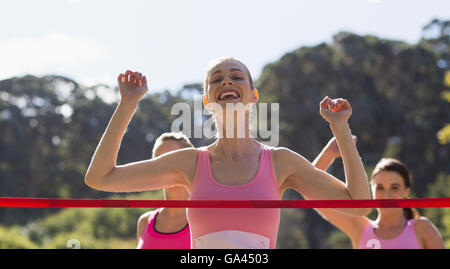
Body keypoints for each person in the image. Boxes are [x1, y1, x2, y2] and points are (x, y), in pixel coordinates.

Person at [84, 56, 371, 249]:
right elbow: (100, 177)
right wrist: (128, 103)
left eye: (237, 76)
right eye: (216, 79)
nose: (226, 81)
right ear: (207, 99)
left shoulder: (281, 161)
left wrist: (340, 127)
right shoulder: (191, 162)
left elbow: (359, 204)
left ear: (254, 95)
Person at [311, 137, 445, 249]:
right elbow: (310, 190)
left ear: (406, 191)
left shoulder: (421, 228)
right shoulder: (360, 228)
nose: (386, 196)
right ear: (371, 190)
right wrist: (328, 154)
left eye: (394, 188)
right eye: (380, 188)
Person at [136, 132, 193, 249]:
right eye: (159, 161)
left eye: (173, 160)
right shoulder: (144, 222)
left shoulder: (205, 220)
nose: (165, 169)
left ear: (190, 165)